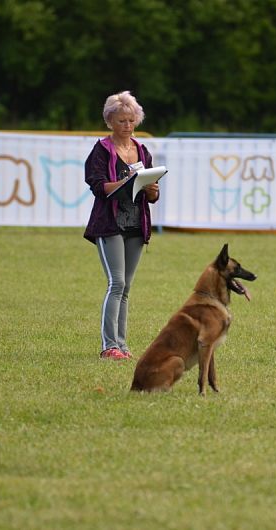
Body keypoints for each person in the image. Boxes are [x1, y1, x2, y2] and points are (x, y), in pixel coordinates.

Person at [83, 91, 160, 360]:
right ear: (109, 122)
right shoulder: (102, 150)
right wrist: (128, 183)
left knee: (126, 287)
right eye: (121, 121)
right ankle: (108, 346)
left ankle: (123, 346)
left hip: (136, 223)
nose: (127, 126)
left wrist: (151, 189)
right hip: (109, 223)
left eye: (131, 120)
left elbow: (153, 195)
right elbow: (97, 185)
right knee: (115, 283)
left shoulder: (142, 150)